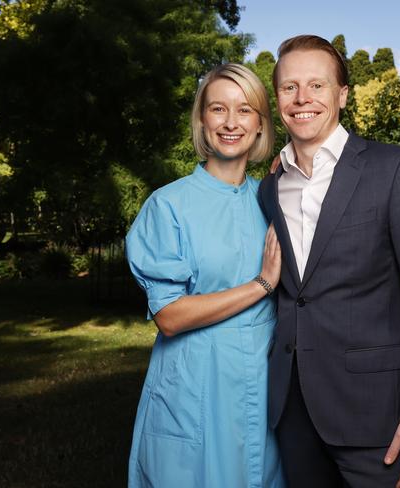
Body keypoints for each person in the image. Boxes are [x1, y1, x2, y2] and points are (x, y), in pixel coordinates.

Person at [258, 35, 400, 488]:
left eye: (317, 85)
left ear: (343, 95)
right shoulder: (270, 188)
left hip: (379, 414)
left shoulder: (397, 169)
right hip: (294, 410)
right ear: (278, 98)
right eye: (289, 87)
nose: (302, 98)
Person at [125, 63, 285, 488]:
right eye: (218, 109)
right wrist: (261, 285)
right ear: (202, 120)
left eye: (245, 110)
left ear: (260, 125)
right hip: (196, 385)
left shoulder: (273, 199)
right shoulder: (168, 205)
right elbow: (170, 316)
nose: (231, 122)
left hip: (266, 384)